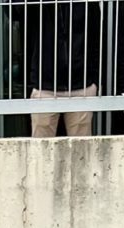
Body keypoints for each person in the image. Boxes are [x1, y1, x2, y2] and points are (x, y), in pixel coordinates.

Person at [24, 0, 107, 135]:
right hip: (45, 85)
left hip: (81, 85)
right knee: (41, 146)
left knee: (81, 146)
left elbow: (98, 37)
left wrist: (95, 80)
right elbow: (14, 11)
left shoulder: (86, 3)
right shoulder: (39, 4)